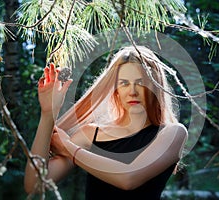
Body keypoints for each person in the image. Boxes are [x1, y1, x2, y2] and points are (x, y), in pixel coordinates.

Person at [24, 45, 188, 200]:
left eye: (140, 82)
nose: (132, 91)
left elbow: (128, 178)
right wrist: (48, 114)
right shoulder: (91, 134)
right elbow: (35, 185)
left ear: (155, 86)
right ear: (115, 90)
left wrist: (70, 149)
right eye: (124, 83)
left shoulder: (172, 134)